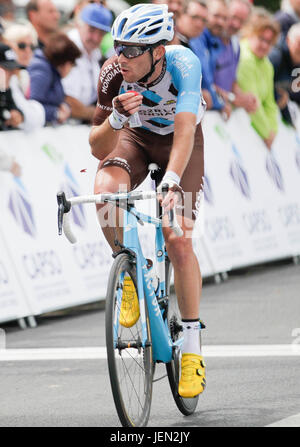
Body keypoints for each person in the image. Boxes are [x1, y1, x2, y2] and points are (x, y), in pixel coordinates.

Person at [90, 3, 207, 398]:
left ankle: (191, 346)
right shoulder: (113, 72)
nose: (121, 57)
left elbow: (187, 131)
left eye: (132, 50)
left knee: (178, 237)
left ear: (158, 51)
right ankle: (127, 277)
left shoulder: (184, 64)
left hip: (179, 142)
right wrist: (116, 120)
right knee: (105, 192)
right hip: (136, 138)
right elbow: (96, 147)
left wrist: (173, 180)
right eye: (118, 46)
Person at [62, 3, 113, 124]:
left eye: (101, 33)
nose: (95, 38)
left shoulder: (95, 54)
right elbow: (67, 101)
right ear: (78, 25)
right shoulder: (65, 48)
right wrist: (101, 114)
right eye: (92, 30)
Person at [237, 9, 280, 150]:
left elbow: (270, 102)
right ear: (251, 34)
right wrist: (267, 133)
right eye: (261, 39)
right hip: (242, 127)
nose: (265, 45)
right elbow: (253, 103)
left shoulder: (267, 64)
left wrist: (273, 131)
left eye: (269, 42)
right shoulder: (245, 58)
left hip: (259, 130)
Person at [214, 0, 258, 114]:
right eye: (233, 17)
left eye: (241, 21)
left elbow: (232, 80)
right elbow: (202, 82)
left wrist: (244, 98)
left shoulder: (235, 45)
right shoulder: (208, 38)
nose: (236, 24)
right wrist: (231, 98)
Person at [190, 0, 232, 119]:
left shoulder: (216, 44)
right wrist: (220, 103)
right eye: (216, 16)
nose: (220, 22)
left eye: (224, 18)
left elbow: (209, 84)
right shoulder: (196, 38)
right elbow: (204, 80)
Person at [28, 32, 81, 125]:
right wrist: (55, 113)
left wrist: (63, 106)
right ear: (66, 63)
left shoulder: (52, 72)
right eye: (73, 64)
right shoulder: (41, 69)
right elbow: (33, 105)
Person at [3, 23, 45, 131]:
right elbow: (28, 116)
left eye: (31, 46)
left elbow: (33, 117)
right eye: (22, 46)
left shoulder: (24, 76)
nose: (28, 51)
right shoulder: (5, 76)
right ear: (7, 45)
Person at [269, 22, 300, 126]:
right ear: (288, 40)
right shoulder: (275, 56)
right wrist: (278, 97)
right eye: (299, 43)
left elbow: (296, 94)